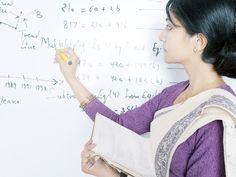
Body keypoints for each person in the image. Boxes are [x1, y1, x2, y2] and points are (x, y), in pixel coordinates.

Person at [55, 0, 236, 176]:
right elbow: (118, 127)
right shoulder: (174, 93)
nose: (162, 35)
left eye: (170, 26)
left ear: (198, 42)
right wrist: (71, 77)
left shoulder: (215, 120)